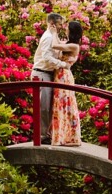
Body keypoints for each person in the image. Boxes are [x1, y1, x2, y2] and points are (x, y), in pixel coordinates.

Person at [31, 13, 67, 143]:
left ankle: (46, 134)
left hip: (48, 74)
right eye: (59, 24)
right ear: (52, 24)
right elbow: (46, 57)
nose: (60, 27)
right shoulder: (47, 37)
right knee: (44, 107)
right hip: (41, 73)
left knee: (49, 107)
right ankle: (42, 136)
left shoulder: (53, 36)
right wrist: (62, 64)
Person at [49, 20, 83, 147]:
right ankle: (61, 136)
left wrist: (53, 33)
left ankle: (69, 137)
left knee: (65, 103)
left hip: (65, 76)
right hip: (59, 75)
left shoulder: (75, 46)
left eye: (68, 28)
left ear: (72, 31)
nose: (66, 29)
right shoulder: (69, 43)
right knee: (59, 104)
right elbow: (58, 42)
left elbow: (55, 45)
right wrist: (55, 32)